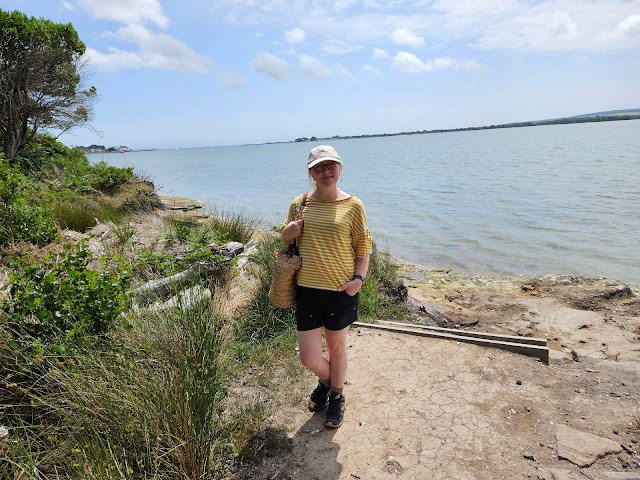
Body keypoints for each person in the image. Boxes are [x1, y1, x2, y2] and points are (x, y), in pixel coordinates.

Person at [280, 145, 372, 428]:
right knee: (308, 356)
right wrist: (291, 230)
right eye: (319, 167)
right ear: (311, 173)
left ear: (340, 169)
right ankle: (328, 381)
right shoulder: (300, 203)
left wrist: (359, 280)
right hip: (307, 290)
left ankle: (336, 395)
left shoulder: (353, 205)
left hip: (341, 291)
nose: (326, 171)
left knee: (336, 349)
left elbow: (363, 246)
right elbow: (284, 238)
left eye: (331, 165)